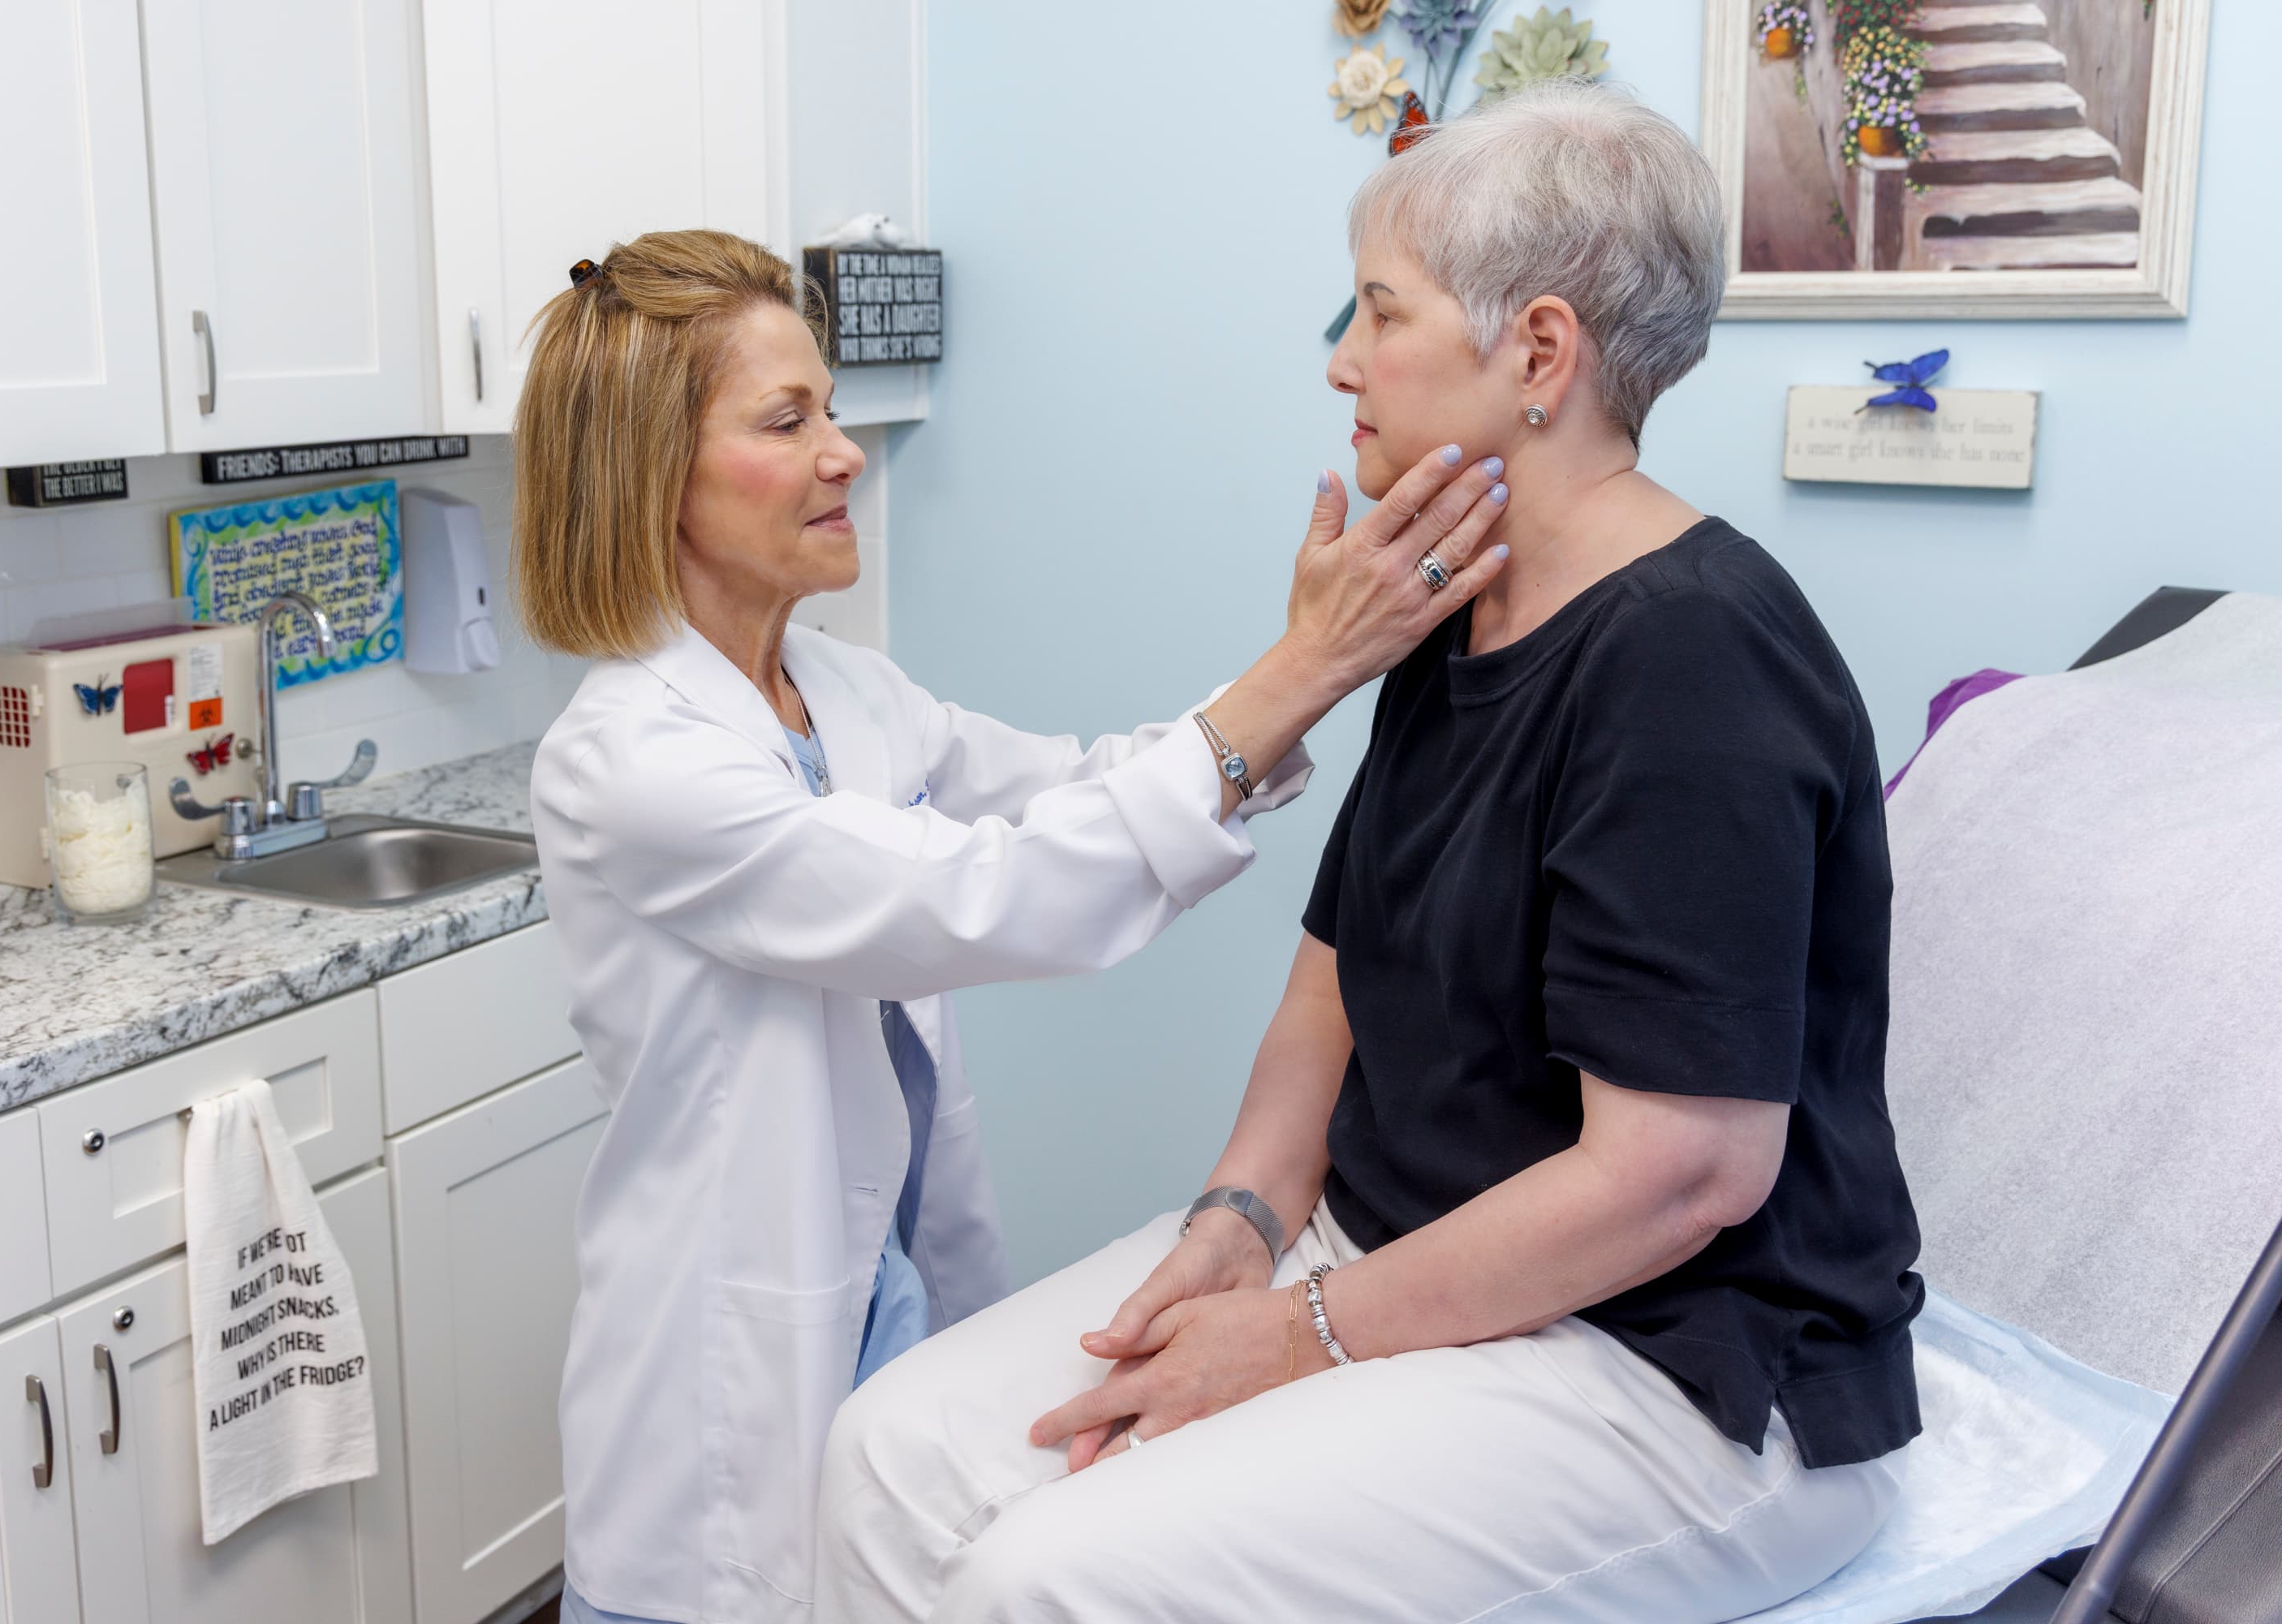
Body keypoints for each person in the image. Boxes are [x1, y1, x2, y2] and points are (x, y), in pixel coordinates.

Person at [816, 81, 1925, 1624]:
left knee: (1045, 1576)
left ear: (1539, 351)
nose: (1342, 359)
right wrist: (1238, 1224)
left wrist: (1299, 1332)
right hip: (1388, 1249)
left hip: (1670, 1363)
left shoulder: (1694, 660)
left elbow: (1681, 1177)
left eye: (1379, 312)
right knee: (885, 1452)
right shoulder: (1450, 600)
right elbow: (1330, 995)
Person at [516, 229, 1512, 1624]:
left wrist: (1307, 674)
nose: (844, 451)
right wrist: (1304, 668)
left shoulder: (849, 692)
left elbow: (1077, 786)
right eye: (786, 420)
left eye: (832, 408)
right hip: (722, 1375)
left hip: (902, 1289)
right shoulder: (630, 758)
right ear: (649, 475)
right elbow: (968, 896)